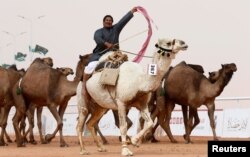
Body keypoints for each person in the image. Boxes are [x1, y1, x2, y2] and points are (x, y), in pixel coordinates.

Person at [82, 7, 137, 102]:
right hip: (100, 54)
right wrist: (106, 44)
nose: (109, 21)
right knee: (90, 67)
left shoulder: (115, 29)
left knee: (127, 68)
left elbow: (123, 21)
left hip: (114, 54)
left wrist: (131, 12)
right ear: (103, 22)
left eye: (110, 20)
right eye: (107, 20)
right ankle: (84, 88)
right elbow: (97, 39)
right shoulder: (98, 32)